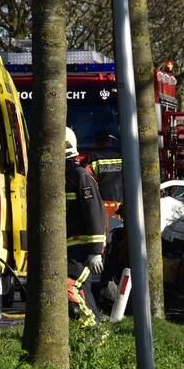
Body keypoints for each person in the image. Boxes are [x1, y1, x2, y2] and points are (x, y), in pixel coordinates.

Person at [65, 127, 106, 326]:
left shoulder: (79, 176)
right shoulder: (59, 176)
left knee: (70, 286)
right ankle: (89, 335)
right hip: (68, 249)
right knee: (80, 290)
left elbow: (95, 213)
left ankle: (92, 331)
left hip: (81, 251)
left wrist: (95, 251)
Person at [87, 129, 123, 208]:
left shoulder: (92, 158)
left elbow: (86, 180)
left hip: (103, 205)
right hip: (122, 204)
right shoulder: (121, 156)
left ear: (95, 142)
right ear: (110, 141)